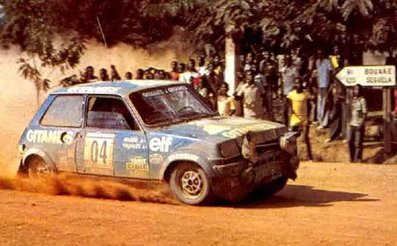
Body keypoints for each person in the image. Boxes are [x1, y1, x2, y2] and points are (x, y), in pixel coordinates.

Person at [287, 77, 313, 160]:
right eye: (296, 83)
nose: (297, 85)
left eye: (299, 83)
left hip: (304, 118)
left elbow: (309, 106)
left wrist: (308, 118)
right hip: (295, 119)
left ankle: (310, 157)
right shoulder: (291, 94)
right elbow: (289, 106)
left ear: (302, 84)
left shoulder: (305, 94)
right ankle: (294, 156)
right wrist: (289, 117)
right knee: (293, 139)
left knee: (305, 137)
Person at [348, 85, 367, 163]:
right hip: (352, 124)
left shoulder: (362, 100)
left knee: (358, 143)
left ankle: (358, 159)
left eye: (358, 89)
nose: (357, 91)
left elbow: (365, 113)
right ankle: (352, 158)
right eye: (355, 89)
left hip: (359, 124)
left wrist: (361, 124)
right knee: (350, 141)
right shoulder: (353, 100)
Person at [316, 49, 333, 129]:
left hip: (326, 85)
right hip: (320, 86)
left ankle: (325, 122)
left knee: (325, 104)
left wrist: (329, 86)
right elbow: (317, 75)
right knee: (320, 104)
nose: (319, 55)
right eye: (318, 54)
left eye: (321, 53)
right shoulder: (317, 62)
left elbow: (330, 73)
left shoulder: (327, 62)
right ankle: (320, 121)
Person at [280, 54, 299, 126]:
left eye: (289, 60)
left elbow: (297, 80)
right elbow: (282, 81)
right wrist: (281, 91)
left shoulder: (294, 69)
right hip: (284, 93)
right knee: (284, 111)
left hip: (292, 93)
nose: (287, 61)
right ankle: (285, 125)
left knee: (292, 110)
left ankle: (292, 125)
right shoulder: (283, 69)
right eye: (286, 60)